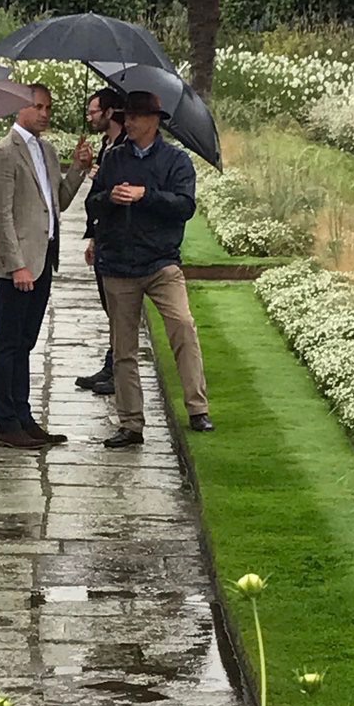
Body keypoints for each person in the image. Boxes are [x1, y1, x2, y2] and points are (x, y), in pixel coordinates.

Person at [86, 90, 214, 448]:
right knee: (123, 348)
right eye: (127, 116)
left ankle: (197, 408)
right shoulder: (114, 159)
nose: (128, 122)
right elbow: (91, 202)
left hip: (161, 262)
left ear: (155, 121)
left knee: (183, 327)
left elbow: (185, 205)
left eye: (137, 117)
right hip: (118, 264)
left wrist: (147, 195)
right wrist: (109, 198)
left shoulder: (176, 161)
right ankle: (131, 424)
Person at [0, 83, 94, 448]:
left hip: (44, 259)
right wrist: (17, 265)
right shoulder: (4, 153)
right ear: (20, 108)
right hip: (18, 266)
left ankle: (24, 414)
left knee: (26, 343)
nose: (45, 113)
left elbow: (58, 202)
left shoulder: (46, 151)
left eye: (49, 107)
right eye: (38, 106)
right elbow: (0, 217)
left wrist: (79, 169)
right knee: (8, 342)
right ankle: (6, 423)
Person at [76, 87, 126, 396]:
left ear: (109, 112)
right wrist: (93, 235)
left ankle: (118, 369)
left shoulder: (123, 148)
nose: (89, 117)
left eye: (94, 111)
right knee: (110, 308)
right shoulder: (107, 144)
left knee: (119, 310)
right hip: (103, 237)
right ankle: (112, 363)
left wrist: (100, 179)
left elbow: (112, 193)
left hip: (119, 241)